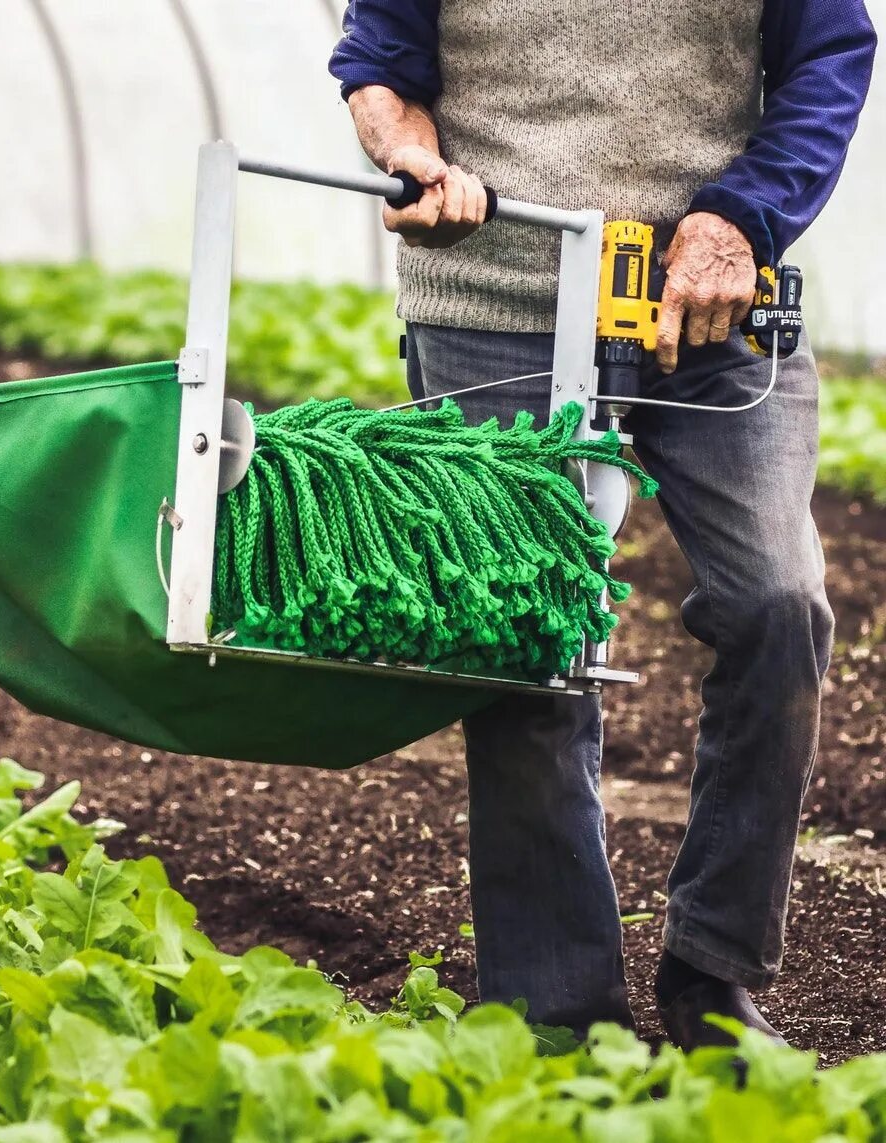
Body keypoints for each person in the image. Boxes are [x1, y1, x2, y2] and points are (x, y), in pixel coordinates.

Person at [329, 1, 877, 1048]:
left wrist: (738, 220)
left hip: (710, 303)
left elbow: (828, 57)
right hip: (497, 297)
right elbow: (379, 66)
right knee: (532, 647)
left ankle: (714, 977)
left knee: (778, 603)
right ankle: (558, 1021)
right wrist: (413, 158)